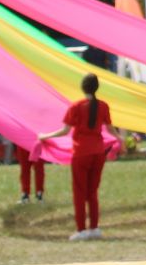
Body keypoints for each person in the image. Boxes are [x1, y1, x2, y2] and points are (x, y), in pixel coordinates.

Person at [37, 72, 114, 241]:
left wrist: (45, 136)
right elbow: (110, 130)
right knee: (92, 192)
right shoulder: (103, 106)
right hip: (98, 152)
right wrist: (120, 138)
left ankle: (81, 229)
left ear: (82, 87)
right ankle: (94, 227)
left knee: (79, 192)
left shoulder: (77, 106)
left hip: (81, 153)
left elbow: (65, 131)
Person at [15, 139, 46, 204]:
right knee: (24, 169)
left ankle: (39, 194)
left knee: (39, 169)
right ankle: (25, 194)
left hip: (36, 140)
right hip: (22, 141)